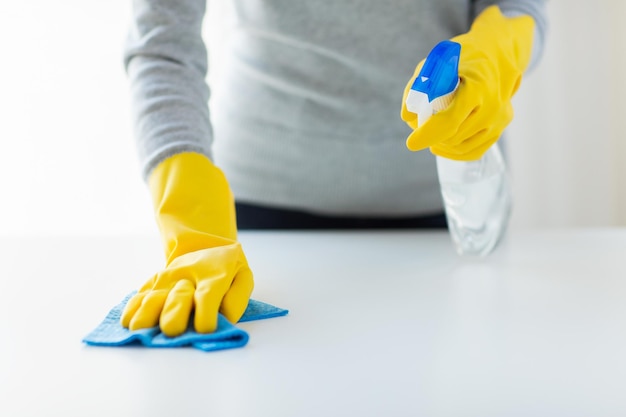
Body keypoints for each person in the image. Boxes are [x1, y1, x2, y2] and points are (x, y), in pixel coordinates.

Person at [120, 0, 547, 337]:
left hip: (444, 207)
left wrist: (497, 48)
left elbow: (517, 6)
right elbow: (162, 47)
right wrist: (190, 211)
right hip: (250, 215)